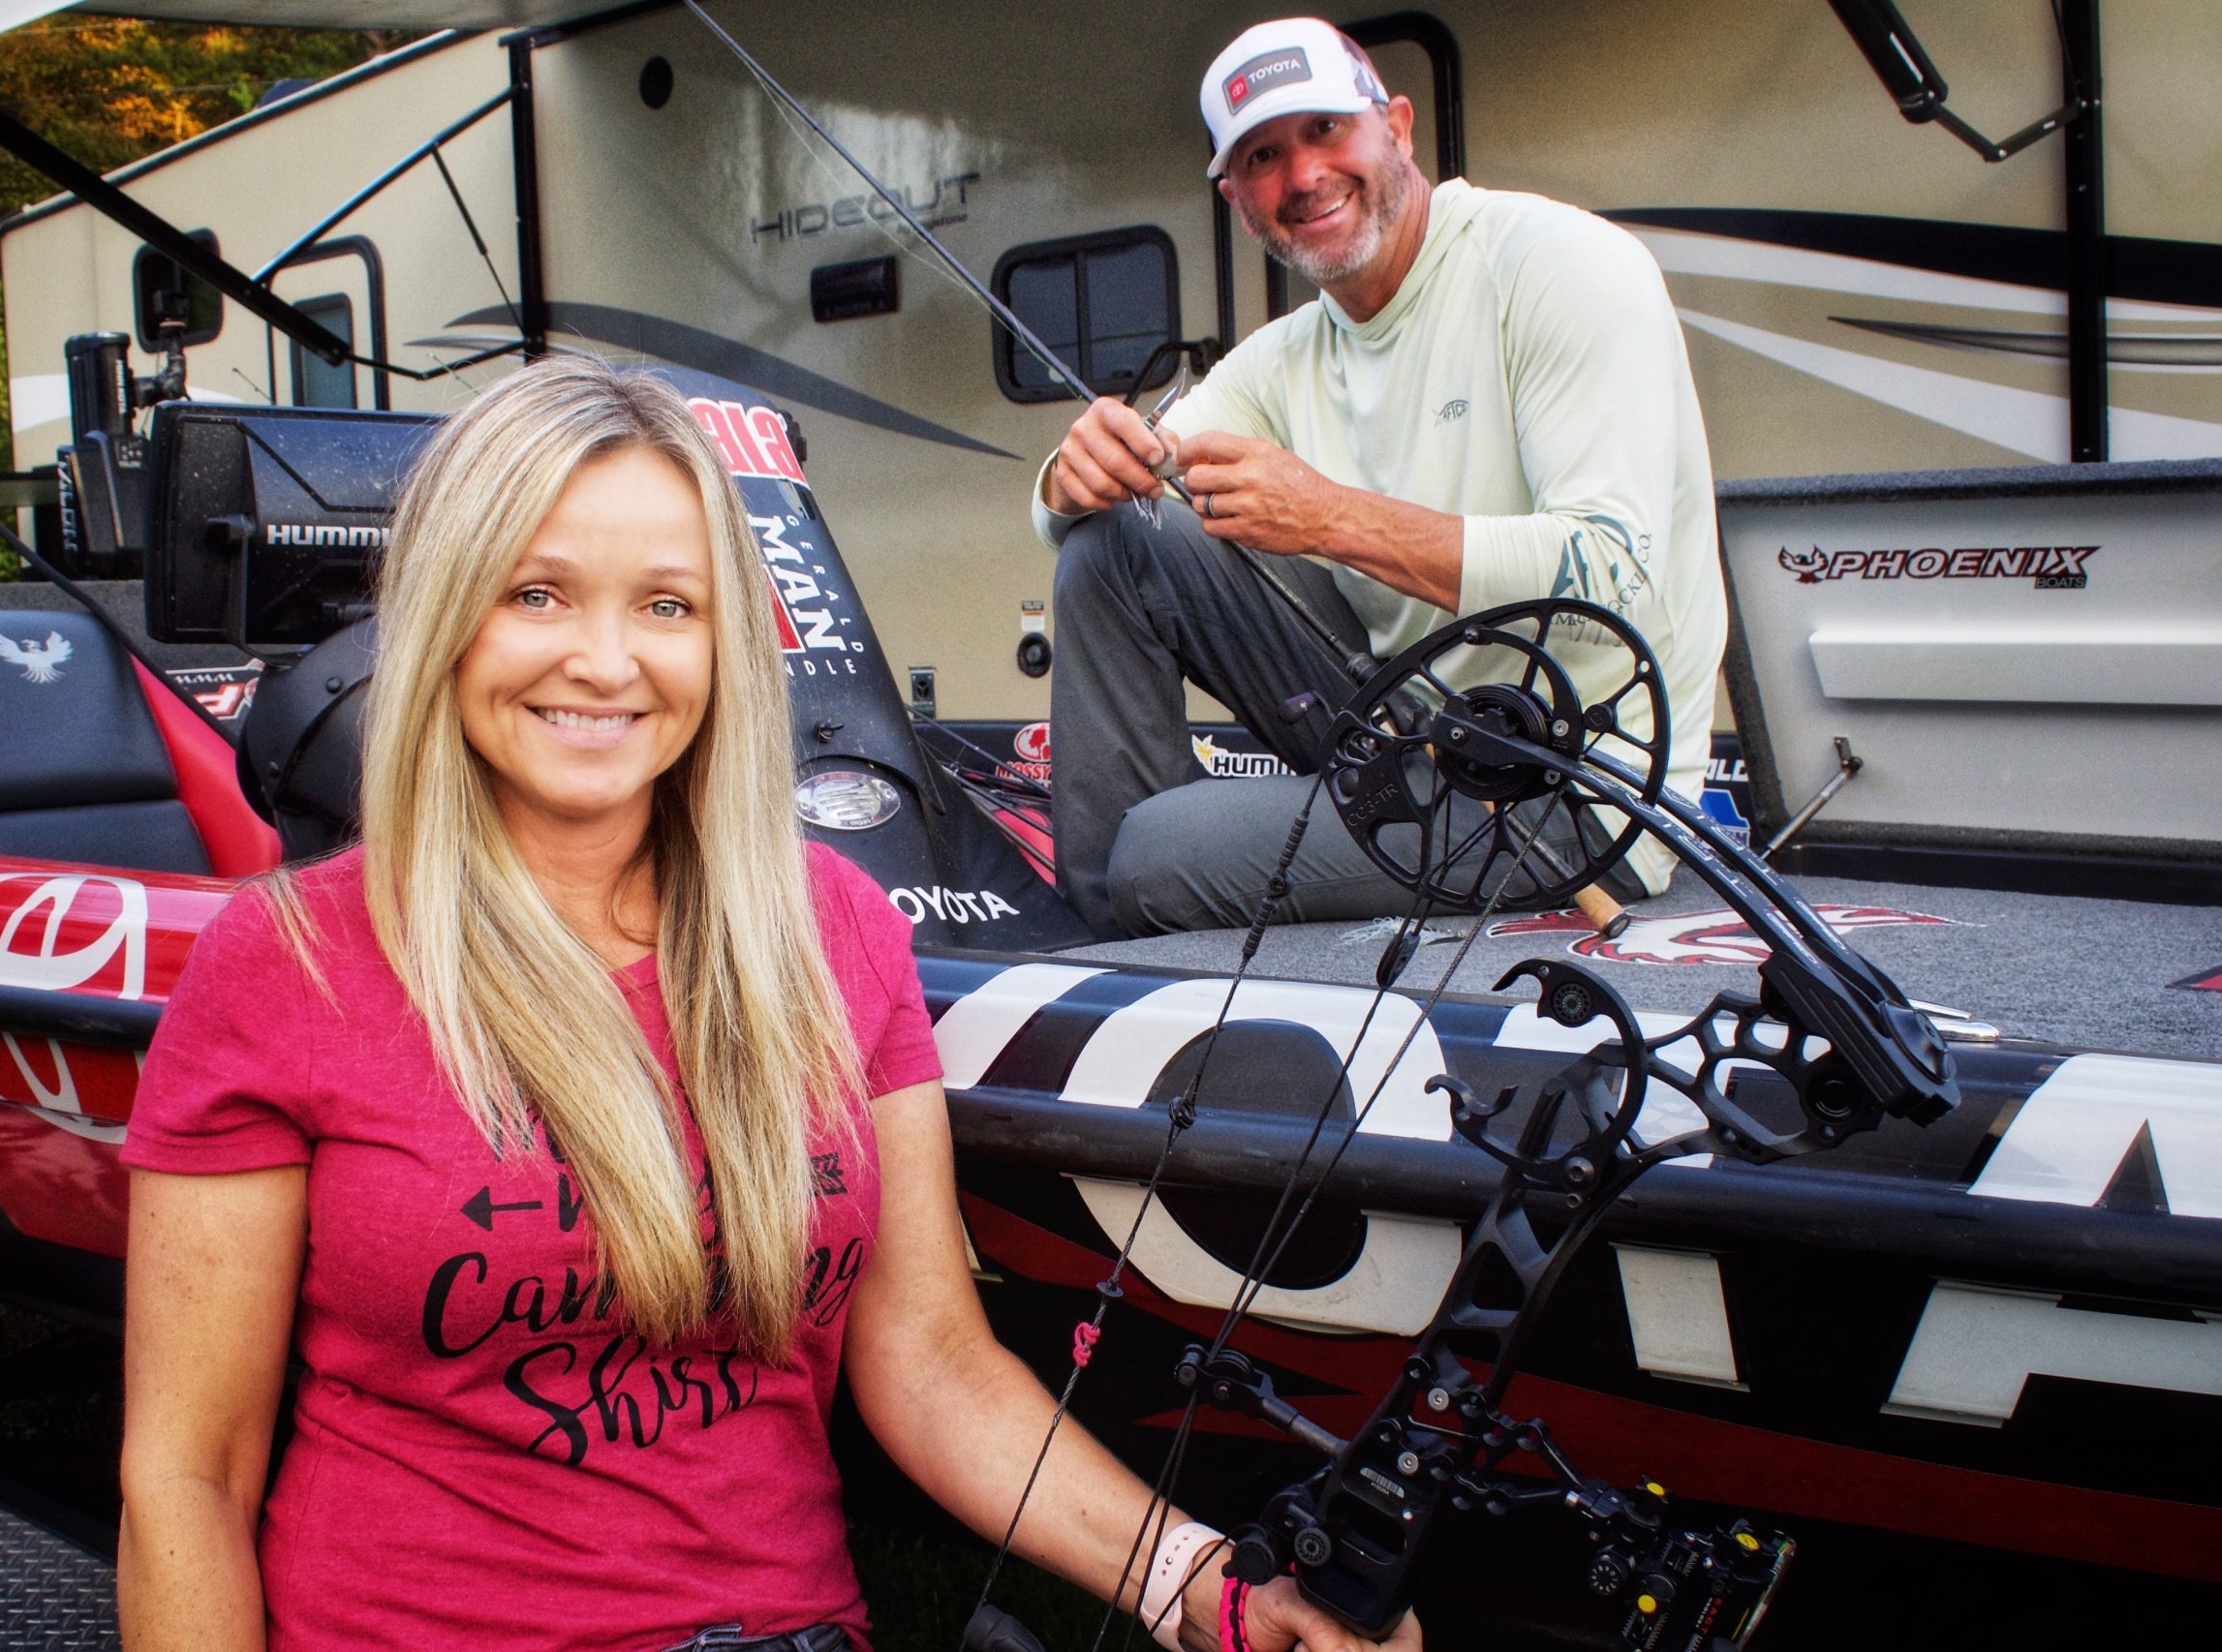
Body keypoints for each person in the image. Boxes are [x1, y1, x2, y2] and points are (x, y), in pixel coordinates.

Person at [114, 354, 1418, 1652]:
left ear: (725, 637)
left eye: (666, 604)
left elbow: (930, 1359)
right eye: (537, 593)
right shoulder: (284, 963)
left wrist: (1197, 1583)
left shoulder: (834, 929)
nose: (607, 661)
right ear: (445, 612)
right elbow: (188, 1475)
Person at [1034, 16, 1726, 939]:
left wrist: (1328, 518)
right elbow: (1110, 494)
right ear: (1237, 200)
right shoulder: (1285, 355)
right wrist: (1069, 475)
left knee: (1155, 855)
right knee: (1115, 538)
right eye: (1263, 156)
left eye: (1326, 129)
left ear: (1397, 127)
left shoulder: (1560, 263)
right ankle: (1115, 936)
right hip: (1410, 731)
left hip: (1574, 794)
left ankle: (1147, 890)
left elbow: (1609, 576)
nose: (1303, 175)